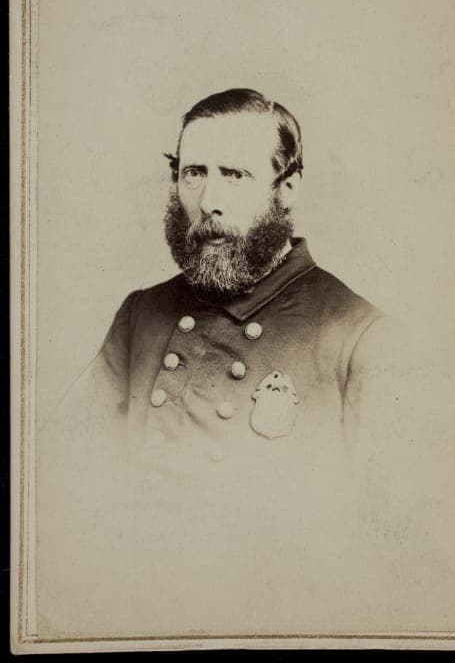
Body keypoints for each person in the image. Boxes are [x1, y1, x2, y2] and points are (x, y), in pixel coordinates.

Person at [37, 88, 427, 638]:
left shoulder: (360, 335)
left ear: (286, 187)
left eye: (235, 175)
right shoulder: (142, 313)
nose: (208, 200)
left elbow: (388, 558)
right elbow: (56, 486)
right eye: (193, 172)